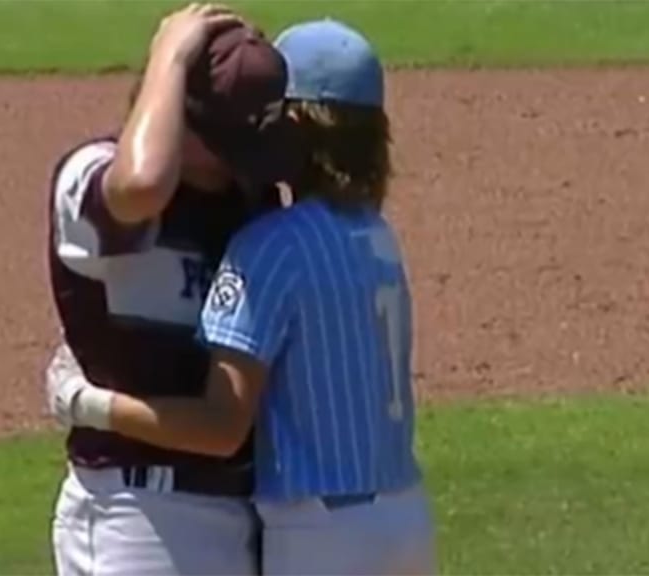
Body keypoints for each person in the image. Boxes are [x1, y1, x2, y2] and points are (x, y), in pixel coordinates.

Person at [58, 18, 438, 575]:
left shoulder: (273, 240)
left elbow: (221, 424)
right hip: (404, 516)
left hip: (319, 531)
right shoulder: (377, 237)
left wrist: (86, 403)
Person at [43, 3, 294, 575]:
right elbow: (142, 183)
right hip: (137, 516)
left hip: (241, 513)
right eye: (226, 146)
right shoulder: (89, 177)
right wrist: (172, 55)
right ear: (179, 114)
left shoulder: (247, 202)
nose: (240, 166)